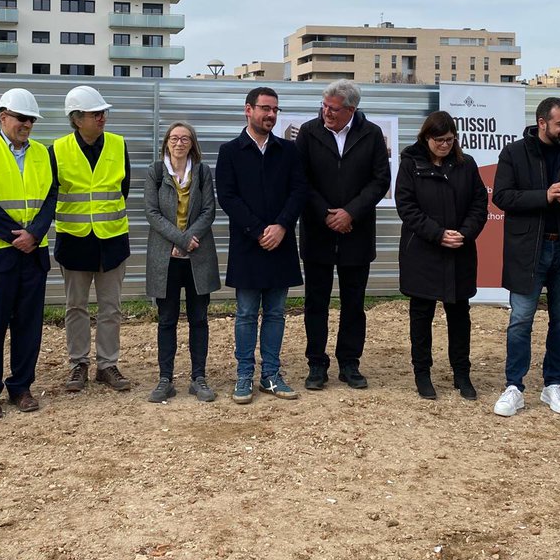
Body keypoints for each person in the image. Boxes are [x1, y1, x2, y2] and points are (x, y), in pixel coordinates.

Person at [492, 97, 560, 418]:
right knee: (520, 320)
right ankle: (514, 387)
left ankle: (553, 384)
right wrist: (546, 196)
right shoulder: (514, 152)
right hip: (528, 250)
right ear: (542, 123)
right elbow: (502, 197)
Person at [294, 79, 390, 391]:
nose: (326, 112)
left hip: (356, 232)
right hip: (318, 232)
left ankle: (349, 363)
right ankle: (316, 364)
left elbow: (380, 181)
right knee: (316, 302)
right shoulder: (308, 132)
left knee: (353, 303)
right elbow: (301, 179)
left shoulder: (371, 134)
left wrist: (350, 212)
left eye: (333, 108)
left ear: (351, 109)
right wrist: (326, 214)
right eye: (324, 106)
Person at [0, 88, 56, 419]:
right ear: (3, 117)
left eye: (31, 120)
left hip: (33, 254)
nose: (27, 124)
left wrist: (35, 234)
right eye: (21, 118)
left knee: (29, 326)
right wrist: (14, 236)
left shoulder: (43, 153)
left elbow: (51, 196)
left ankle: (21, 387)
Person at [216, 86, 308, 403]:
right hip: (247, 244)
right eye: (265, 108)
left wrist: (282, 225)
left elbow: (299, 191)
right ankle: (244, 375)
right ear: (248, 110)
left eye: (275, 110)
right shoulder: (230, 151)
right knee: (245, 313)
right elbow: (227, 196)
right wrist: (258, 231)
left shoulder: (289, 150)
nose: (271, 115)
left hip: (281, 243)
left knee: (276, 313)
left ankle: (271, 375)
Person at [395, 111, 488, 400]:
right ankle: (422, 373)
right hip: (422, 252)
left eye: (449, 139)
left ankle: (462, 373)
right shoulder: (410, 164)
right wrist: (437, 234)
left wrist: (465, 233)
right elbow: (406, 206)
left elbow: (479, 204)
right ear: (426, 138)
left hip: (459, 252)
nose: (445, 145)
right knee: (421, 315)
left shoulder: (466, 164)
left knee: (459, 315)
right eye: (439, 140)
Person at [52, 85, 132, 392]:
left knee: (111, 308)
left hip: (112, 240)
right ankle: (79, 364)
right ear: (76, 118)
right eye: (95, 113)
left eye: (103, 113)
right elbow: (52, 193)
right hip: (74, 241)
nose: (102, 118)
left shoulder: (118, 144)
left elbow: (122, 190)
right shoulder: (57, 149)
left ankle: (107, 365)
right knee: (76, 307)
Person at [143, 121, 220, 403]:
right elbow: (151, 213)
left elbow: (209, 210)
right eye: (174, 138)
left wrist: (189, 240)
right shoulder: (155, 171)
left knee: (199, 318)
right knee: (167, 319)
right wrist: (180, 240)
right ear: (166, 142)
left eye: (185, 138)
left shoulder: (202, 172)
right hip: (166, 257)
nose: (179, 143)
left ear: (192, 144)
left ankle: (199, 378)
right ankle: (165, 379)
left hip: (198, 256)